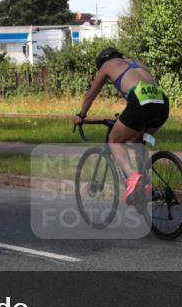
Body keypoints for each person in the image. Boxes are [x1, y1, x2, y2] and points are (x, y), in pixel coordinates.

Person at [73, 47, 170, 201]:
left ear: (103, 62)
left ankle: (132, 177)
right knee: (139, 143)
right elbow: (141, 90)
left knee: (114, 140)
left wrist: (81, 115)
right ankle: (146, 186)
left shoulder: (107, 65)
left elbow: (91, 95)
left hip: (139, 103)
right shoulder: (136, 62)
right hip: (162, 103)